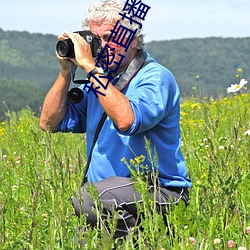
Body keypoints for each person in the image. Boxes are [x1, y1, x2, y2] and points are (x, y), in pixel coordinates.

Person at [40, 0, 192, 244]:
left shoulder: (154, 77)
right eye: (95, 38)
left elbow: (127, 120)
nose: (101, 46)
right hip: (110, 199)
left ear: (131, 38)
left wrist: (89, 67)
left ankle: (146, 241)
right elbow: (49, 123)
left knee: (88, 200)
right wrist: (66, 70)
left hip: (160, 192)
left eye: (109, 37)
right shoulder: (99, 81)